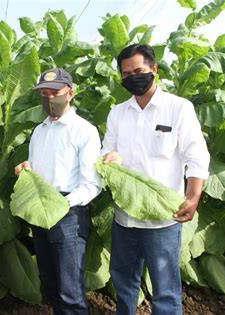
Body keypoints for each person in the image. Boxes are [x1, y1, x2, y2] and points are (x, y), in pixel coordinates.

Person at [101, 43, 210, 314]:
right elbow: (107, 150)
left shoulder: (178, 108)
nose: (132, 78)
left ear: (154, 69)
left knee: (165, 289)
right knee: (124, 281)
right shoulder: (118, 113)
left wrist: (193, 196)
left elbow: (196, 155)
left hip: (163, 218)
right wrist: (110, 157)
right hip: (124, 217)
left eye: (138, 70)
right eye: (126, 75)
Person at [14, 68, 101, 315]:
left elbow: (92, 184)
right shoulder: (39, 131)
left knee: (69, 291)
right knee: (50, 283)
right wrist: (25, 170)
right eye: (44, 93)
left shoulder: (83, 130)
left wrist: (64, 205)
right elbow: (36, 168)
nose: (49, 98)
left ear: (70, 93)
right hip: (40, 208)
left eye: (55, 92)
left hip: (68, 213)